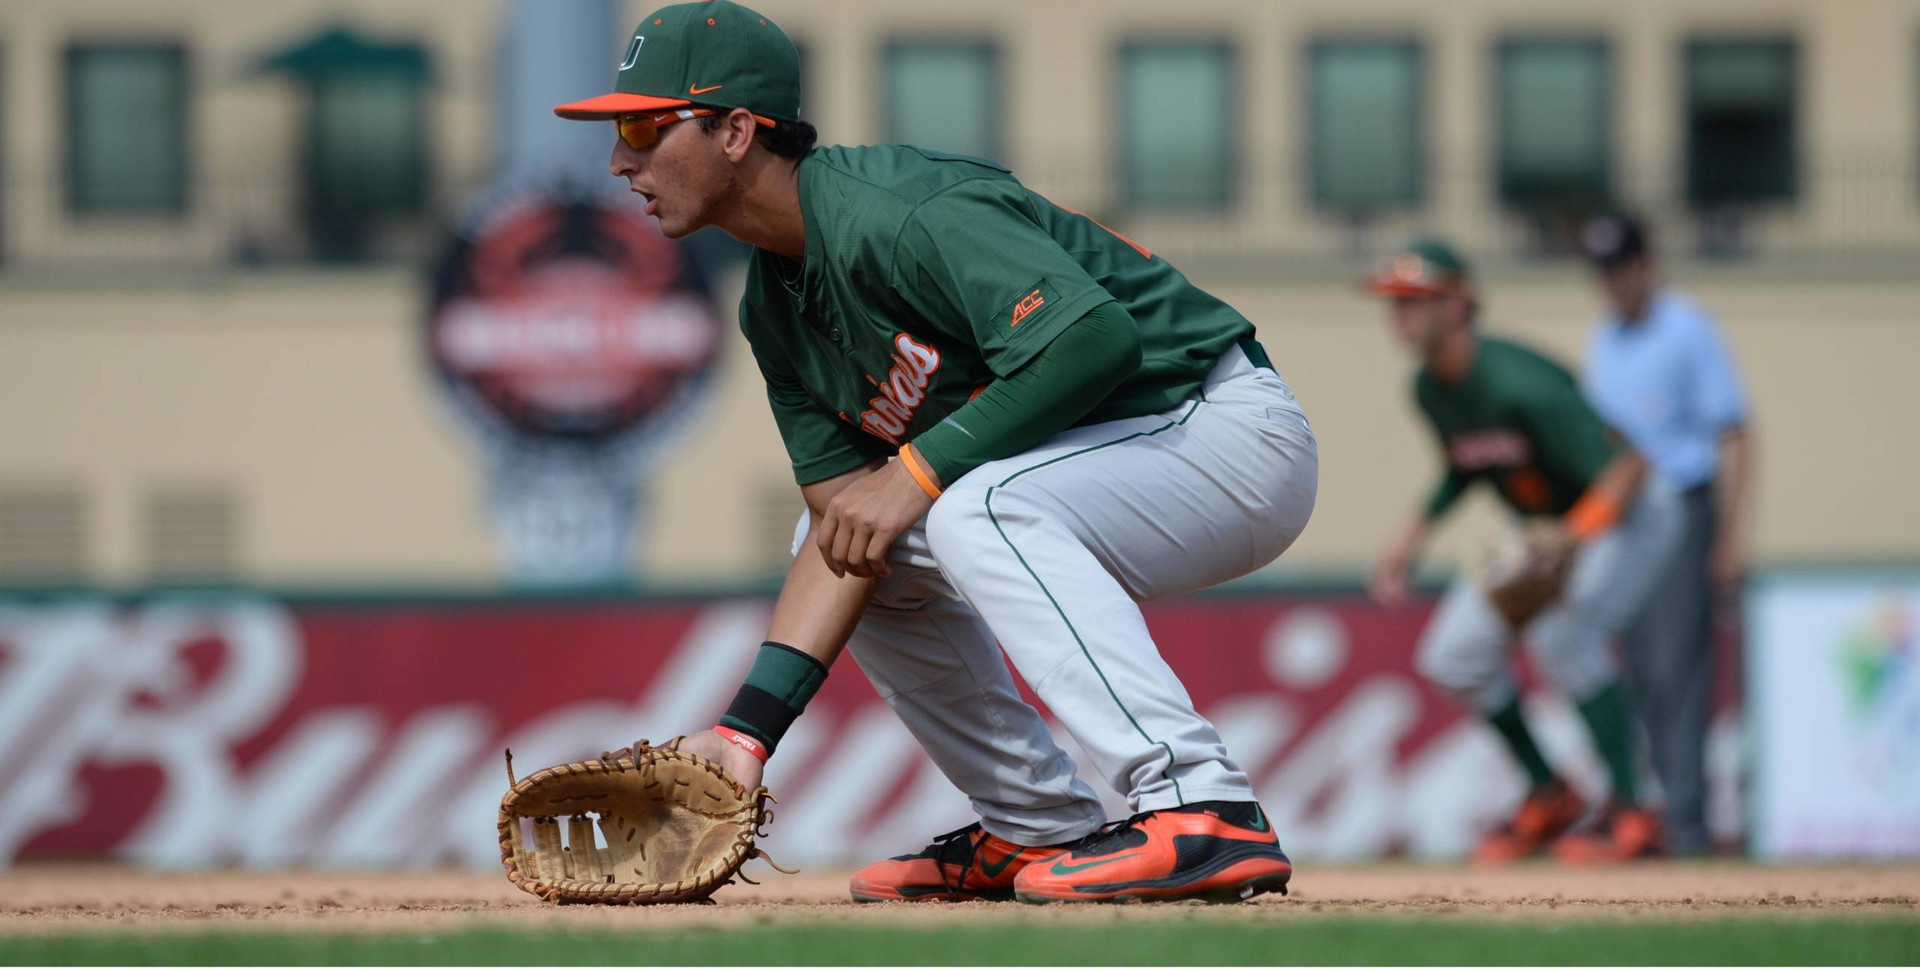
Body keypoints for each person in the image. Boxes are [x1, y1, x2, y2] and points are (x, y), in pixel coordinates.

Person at [553, 0, 1317, 903]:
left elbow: (1095, 342)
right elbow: (848, 523)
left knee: (965, 503)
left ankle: (1204, 806)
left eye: (644, 125)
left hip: (1217, 430)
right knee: (846, 541)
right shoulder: (772, 309)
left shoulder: (897, 212)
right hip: (1097, 465)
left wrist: (915, 472)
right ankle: (1039, 826)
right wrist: (742, 740)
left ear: (734, 131)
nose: (620, 161)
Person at [1363, 241, 1680, 864]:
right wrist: (1415, 530)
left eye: (1414, 300)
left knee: (1566, 636)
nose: (1399, 314)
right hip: (1547, 525)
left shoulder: (1519, 381)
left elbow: (1628, 465)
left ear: (1460, 304)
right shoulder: (1429, 387)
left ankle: (1636, 812)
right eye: (1393, 301)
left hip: (1630, 513)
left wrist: (1575, 534)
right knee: (1455, 655)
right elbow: (1471, 461)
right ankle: (1549, 792)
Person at [1578, 215, 1754, 856]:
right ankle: (1643, 815)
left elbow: (1735, 432)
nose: (1612, 282)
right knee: (1633, 668)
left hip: (1682, 506)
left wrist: (1732, 537)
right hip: (1624, 520)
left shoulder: (1686, 327)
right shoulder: (1604, 338)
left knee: (1676, 670)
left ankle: (1685, 828)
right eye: (1602, 271)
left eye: (1621, 267)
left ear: (1647, 265)